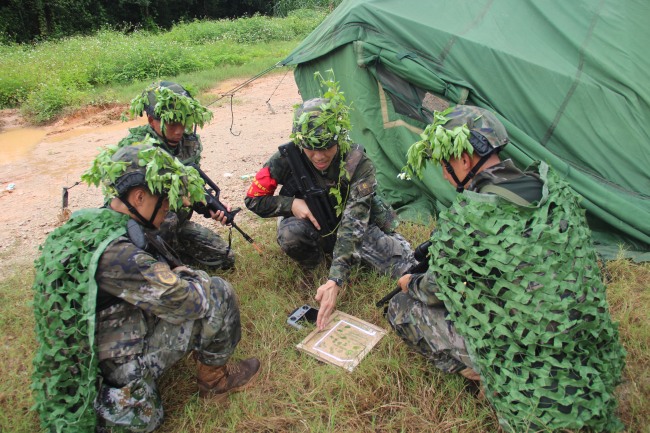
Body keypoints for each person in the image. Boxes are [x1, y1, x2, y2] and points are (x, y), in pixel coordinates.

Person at [387, 105, 625, 432]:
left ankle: (481, 372)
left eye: (445, 163)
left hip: (526, 354)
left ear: (465, 160)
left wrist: (409, 283)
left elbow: (436, 290)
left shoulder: (472, 219)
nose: (444, 173)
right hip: (579, 340)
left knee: (402, 309)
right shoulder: (551, 190)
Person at [32, 142, 260, 432]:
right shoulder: (122, 256)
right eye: (163, 199)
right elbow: (190, 301)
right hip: (114, 365)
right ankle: (214, 380)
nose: (168, 206)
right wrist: (187, 275)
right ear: (139, 197)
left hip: (90, 349)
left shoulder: (94, 223)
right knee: (217, 292)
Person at [244, 77, 416, 330]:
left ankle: (341, 262)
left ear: (340, 138)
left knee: (402, 266)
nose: (319, 156)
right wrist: (291, 204)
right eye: (311, 149)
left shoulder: (357, 161)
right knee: (291, 234)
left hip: (349, 222)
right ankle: (315, 265)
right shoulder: (285, 158)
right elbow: (253, 199)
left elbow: (354, 223)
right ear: (300, 141)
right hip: (310, 223)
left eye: (327, 147)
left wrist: (337, 279)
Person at [118, 81, 235, 271]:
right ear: (150, 120)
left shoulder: (189, 143)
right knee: (168, 222)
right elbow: (122, 207)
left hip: (176, 225)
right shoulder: (134, 150)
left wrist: (210, 206)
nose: (179, 130)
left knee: (224, 258)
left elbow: (191, 185)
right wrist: (178, 198)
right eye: (171, 124)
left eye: (183, 121)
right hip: (143, 230)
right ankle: (161, 263)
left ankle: (175, 253)